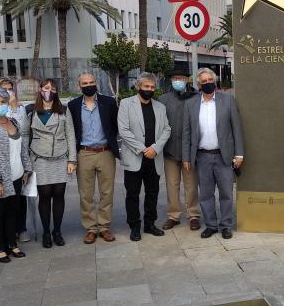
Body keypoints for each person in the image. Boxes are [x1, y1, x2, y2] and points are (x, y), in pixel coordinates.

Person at [182, 68, 244, 239]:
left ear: (214, 81)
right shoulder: (191, 104)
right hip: (202, 157)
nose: (208, 83)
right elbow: (186, 132)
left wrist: (239, 154)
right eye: (204, 81)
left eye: (210, 79)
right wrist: (186, 157)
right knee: (206, 194)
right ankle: (210, 225)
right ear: (199, 84)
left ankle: (225, 225)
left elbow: (236, 128)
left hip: (224, 156)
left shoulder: (228, 100)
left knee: (226, 193)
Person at [118, 72, 171, 241]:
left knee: (152, 193)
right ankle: (134, 227)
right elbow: (123, 130)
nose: (149, 89)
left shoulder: (160, 107)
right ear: (138, 86)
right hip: (135, 157)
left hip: (154, 158)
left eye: (152, 87)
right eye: (146, 86)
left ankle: (149, 224)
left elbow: (167, 129)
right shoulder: (126, 104)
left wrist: (155, 148)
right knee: (132, 194)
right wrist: (142, 149)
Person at [67, 73, 119, 244]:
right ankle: (91, 228)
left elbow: (115, 125)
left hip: (105, 152)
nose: (89, 85)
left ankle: (104, 227)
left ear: (96, 83)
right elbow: (71, 130)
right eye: (85, 83)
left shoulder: (109, 102)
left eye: (91, 82)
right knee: (85, 194)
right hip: (84, 153)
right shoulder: (73, 105)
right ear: (79, 86)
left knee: (107, 192)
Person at [0, 88, 33, 262]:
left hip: (17, 177)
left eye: (2, 102)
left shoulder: (13, 122)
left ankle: (12, 243)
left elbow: (21, 148)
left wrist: (27, 169)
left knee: (13, 212)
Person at [28, 79, 77, 248]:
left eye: (53, 88)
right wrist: (28, 163)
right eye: (46, 88)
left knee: (58, 195)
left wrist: (72, 160)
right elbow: (26, 136)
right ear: (40, 89)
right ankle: (46, 233)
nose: (49, 91)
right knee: (44, 196)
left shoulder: (63, 109)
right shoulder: (31, 110)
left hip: (60, 158)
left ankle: (57, 231)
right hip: (39, 159)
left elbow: (70, 134)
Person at [157, 68, 201, 231]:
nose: (178, 80)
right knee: (171, 185)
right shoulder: (163, 99)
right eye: (175, 78)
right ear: (170, 80)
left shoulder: (197, 97)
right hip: (170, 150)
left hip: (190, 151)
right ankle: (173, 215)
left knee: (191, 184)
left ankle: (193, 214)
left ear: (187, 79)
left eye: (181, 77)